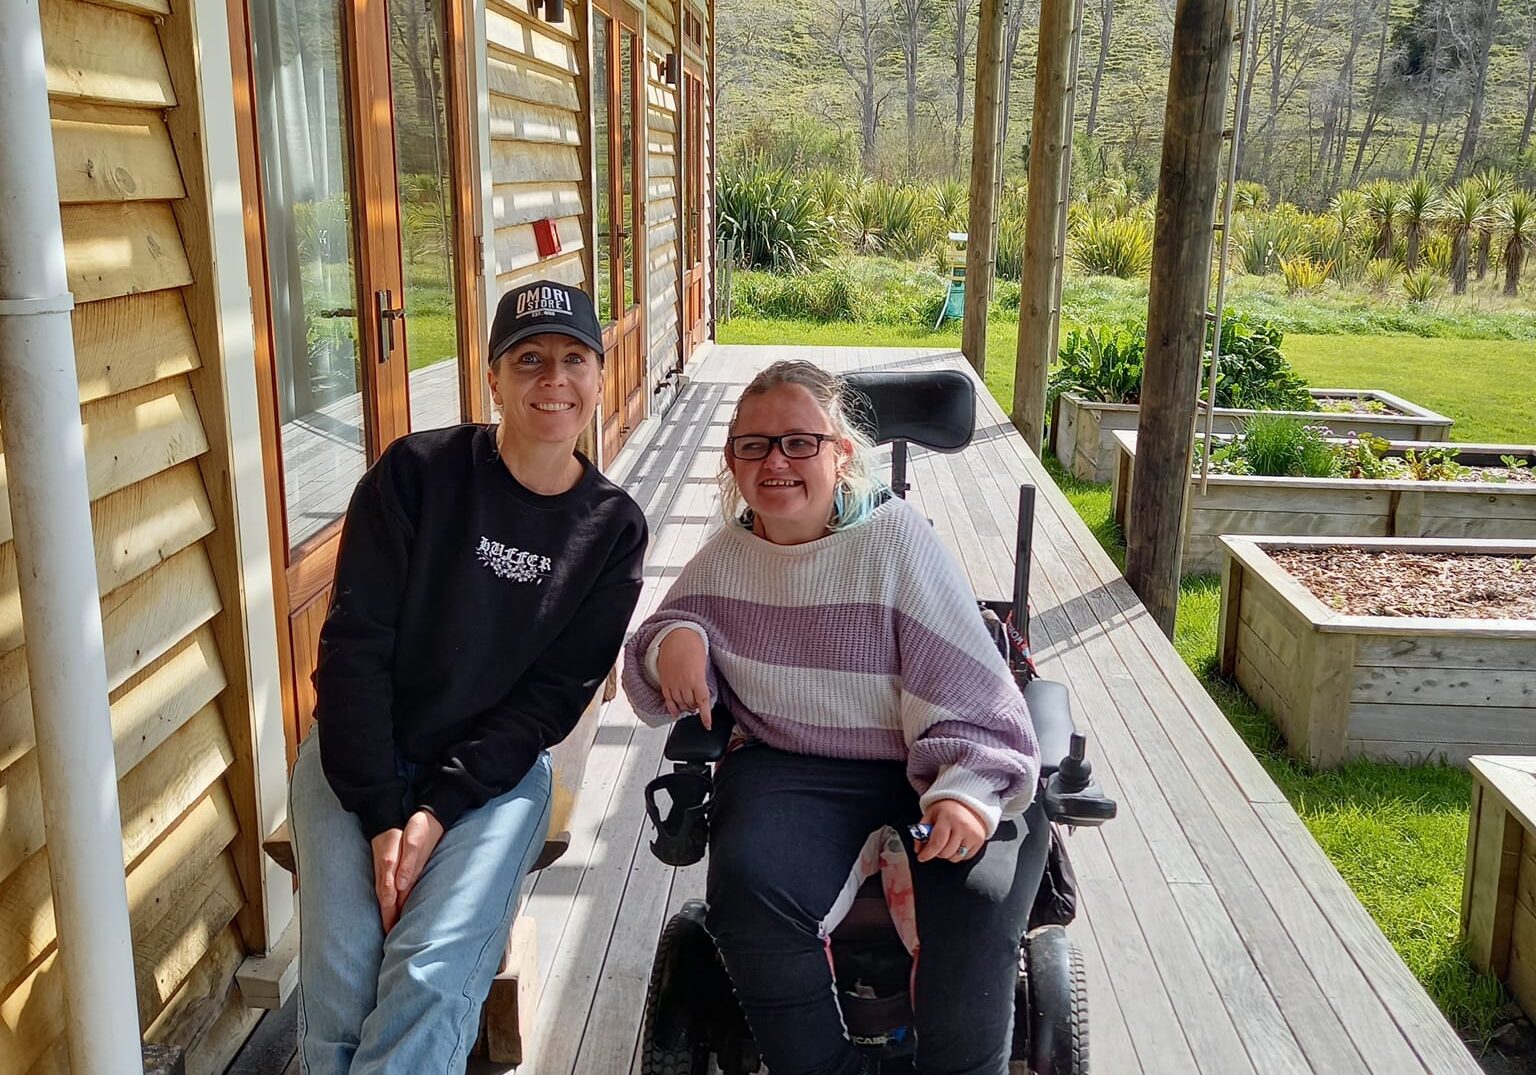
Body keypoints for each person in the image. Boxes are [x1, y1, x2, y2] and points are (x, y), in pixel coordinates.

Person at [622, 360, 1045, 1075]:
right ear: (733, 460)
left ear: (841, 450)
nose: (775, 461)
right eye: (752, 445)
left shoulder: (896, 541)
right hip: (791, 765)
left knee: (981, 891)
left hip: (925, 765)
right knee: (750, 878)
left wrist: (968, 791)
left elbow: (975, 690)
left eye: (799, 442)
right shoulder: (729, 555)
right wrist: (677, 642)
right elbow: (665, 631)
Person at [288, 279, 648, 1074]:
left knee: (428, 974)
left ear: (599, 371)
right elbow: (354, 649)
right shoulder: (417, 474)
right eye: (528, 359)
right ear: (491, 377)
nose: (552, 379)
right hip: (358, 753)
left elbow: (549, 700)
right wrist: (385, 810)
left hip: (492, 774)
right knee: (342, 985)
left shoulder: (612, 530)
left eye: (572, 358)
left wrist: (438, 808)